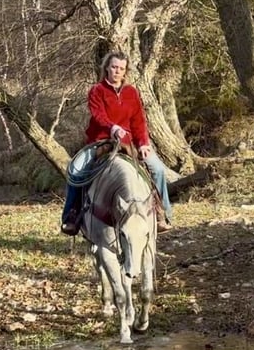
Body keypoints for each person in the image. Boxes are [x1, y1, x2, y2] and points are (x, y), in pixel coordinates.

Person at [61, 51, 173, 236]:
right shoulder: (97, 90)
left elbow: (139, 121)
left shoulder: (131, 92)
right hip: (100, 142)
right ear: (107, 68)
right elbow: (98, 115)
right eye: (114, 67)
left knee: (158, 170)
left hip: (128, 144)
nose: (117, 71)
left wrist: (143, 143)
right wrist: (112, 128)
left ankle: (163, 214)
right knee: (76, 171)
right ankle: (71, 216)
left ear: (125, 71)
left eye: (121, 68)